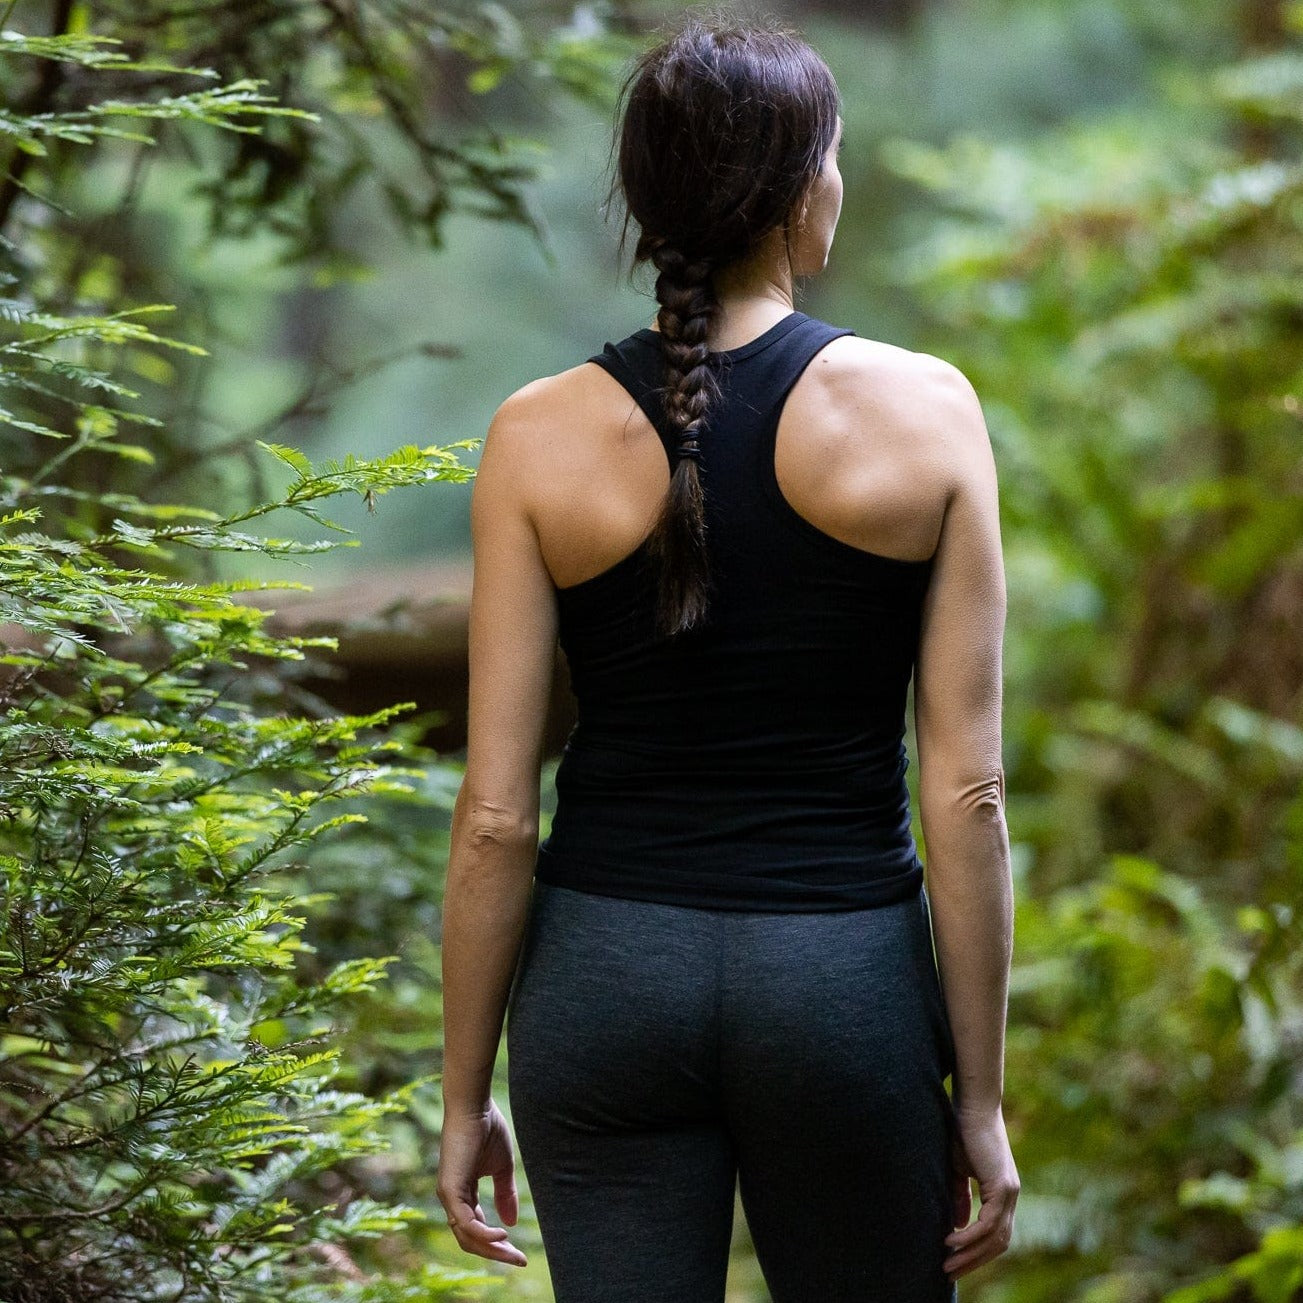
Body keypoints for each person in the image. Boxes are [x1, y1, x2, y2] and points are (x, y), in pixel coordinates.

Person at [436, 8, 1018, 1301]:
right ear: (799, 187)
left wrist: (464, 1090)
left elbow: (492, 817)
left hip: (604, 987)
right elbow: (966, 790)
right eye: (836, 157)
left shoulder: (535, 437)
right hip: (840, 990)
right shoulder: (927, 413)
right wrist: (977, 1097)